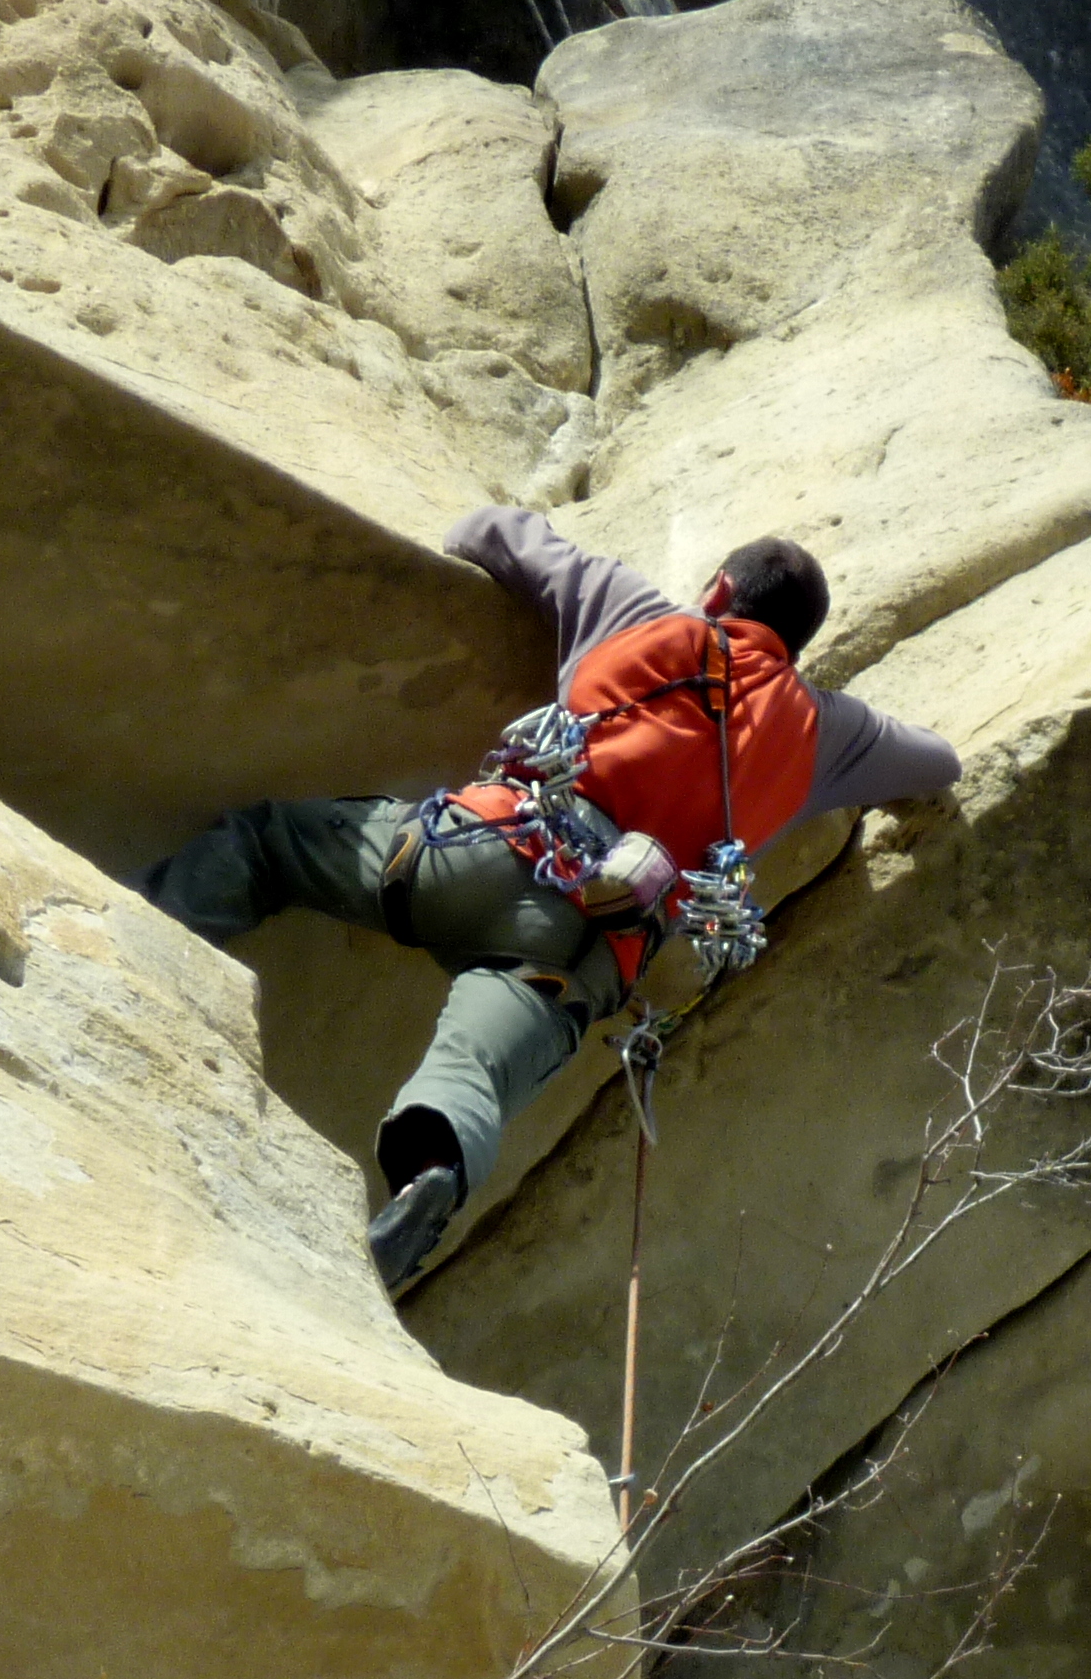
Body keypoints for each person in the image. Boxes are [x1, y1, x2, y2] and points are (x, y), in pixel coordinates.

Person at [141, 505, 963, 1288]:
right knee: (476, 1069)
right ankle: (431, 1173)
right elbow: (939, 761)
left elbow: (483, 532)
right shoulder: (824, 733)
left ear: (717, 592)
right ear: (798, 643)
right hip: (582, 951)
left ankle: (138, 939)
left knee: (272, 843)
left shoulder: (636, 610)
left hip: (486, 850)